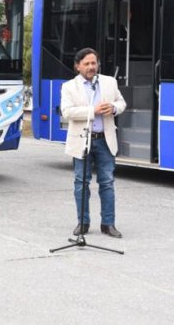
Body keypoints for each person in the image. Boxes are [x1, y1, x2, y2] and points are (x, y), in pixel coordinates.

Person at [60, 48, 127, 238]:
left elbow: (122, 103)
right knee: (81, 183)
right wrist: (93, 110)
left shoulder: (109, 82)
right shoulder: (69, 87)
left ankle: (108, 224)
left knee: (107, 182)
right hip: (82, 141)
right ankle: (83, 223)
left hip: (105, 140)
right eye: (87, 64)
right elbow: (67, 112)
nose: (91, 67)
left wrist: (113, 108)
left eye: (94, 63)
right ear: (77, 66)